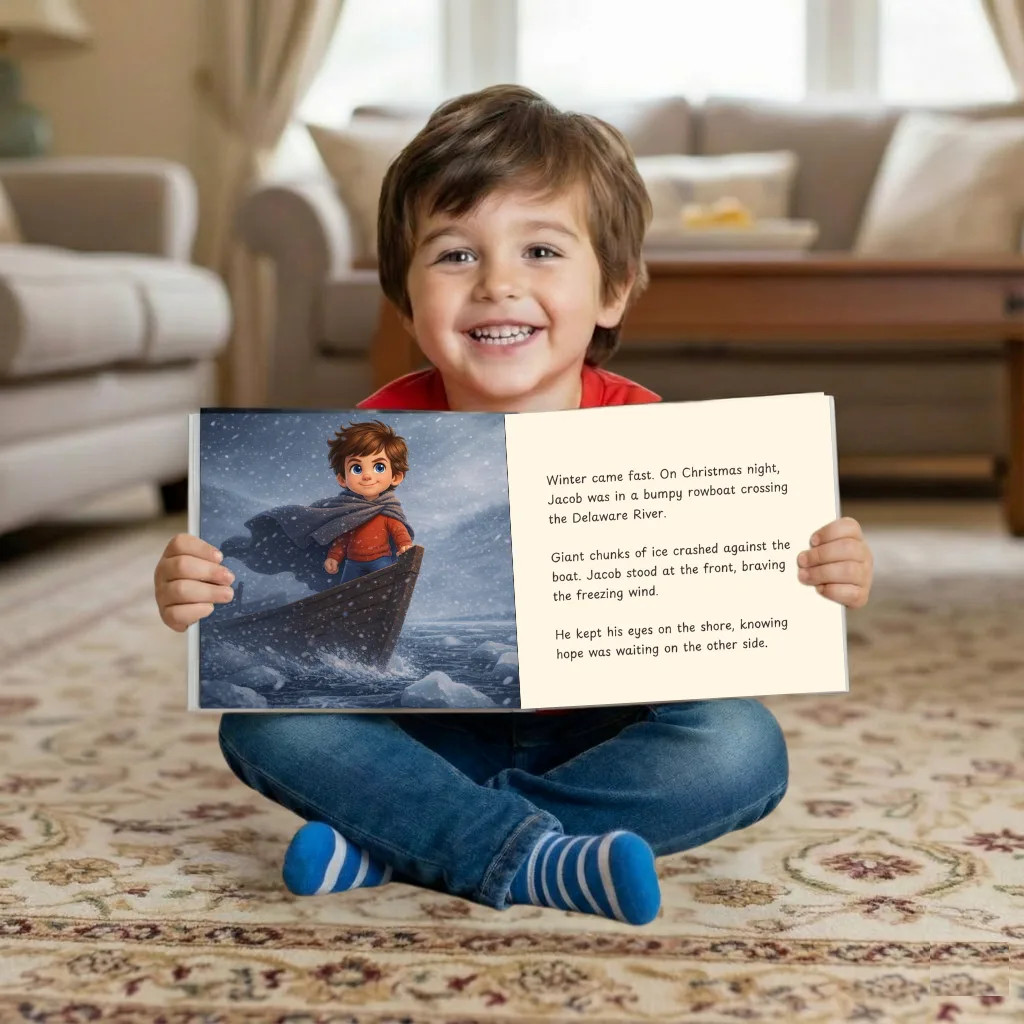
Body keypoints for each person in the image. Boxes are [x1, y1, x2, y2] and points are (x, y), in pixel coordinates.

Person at [153, 84, 874, 926]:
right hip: (434, 726)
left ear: (613, 290)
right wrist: (207, 579)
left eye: (540, 251)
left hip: (601, 732)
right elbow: (295, 552)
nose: (497, 284)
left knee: (743, 748)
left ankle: (395, 842)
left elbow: (725, 609)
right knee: (264, 726)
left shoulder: (650, 431)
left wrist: (818, 571)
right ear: (407, 298)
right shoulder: (376, 444)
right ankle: (545, 859)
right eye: (456, 255)